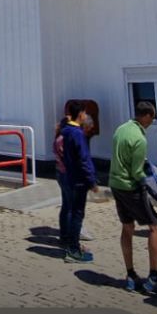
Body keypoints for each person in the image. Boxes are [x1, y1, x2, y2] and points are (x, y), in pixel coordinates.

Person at [109, 101, 157, 299]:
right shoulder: (139, 138)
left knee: (127, 227)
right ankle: (153, 277)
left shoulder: (121, 129)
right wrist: (155, 187)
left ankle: (130, 275)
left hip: (115, 183)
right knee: (155, 228)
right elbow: (137, 171)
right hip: (130, 188)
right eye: (152, 117)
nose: (152, 121)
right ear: (145, 115)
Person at [60, 101, 98, 262]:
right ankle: (73, 250)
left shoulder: (66, 131)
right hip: (79, 179)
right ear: (80, 114)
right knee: (77, 214)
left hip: (69, 176)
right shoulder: (77, 134)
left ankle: (69, 243)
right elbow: (84, 159)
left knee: (71, 210)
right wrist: (91, 180)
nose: (86, 116)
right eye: (84, 113)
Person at [53, 116, 71, 249]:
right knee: (70, 207)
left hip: (60, 172)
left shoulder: (59, 138)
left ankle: (65, 236)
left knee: (66, 206)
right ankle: (69, 239)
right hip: (67, 174)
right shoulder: (63, 140)